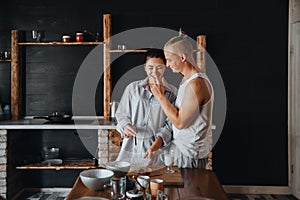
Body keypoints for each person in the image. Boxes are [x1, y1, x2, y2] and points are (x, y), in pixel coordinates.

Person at [149, 31, 214, 168]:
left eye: (170, 59)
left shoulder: (196, 84)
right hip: (182, 151)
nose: (167, 64)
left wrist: (161, 97)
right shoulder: (186, 80)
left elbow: (180, 123)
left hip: (191, 154)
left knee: (189, 190)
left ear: (182, 57)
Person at [115, 49, 177, 166]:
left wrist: (156, 145)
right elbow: (121, 115)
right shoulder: (132, 89)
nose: (155, 72)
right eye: (150, 67)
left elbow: (171, 125)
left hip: (156, 151)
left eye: (159, 67)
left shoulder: (172, 93)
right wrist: (125, 126)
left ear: (165, 67)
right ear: (144, 67)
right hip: (131, 150)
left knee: (155, 182)